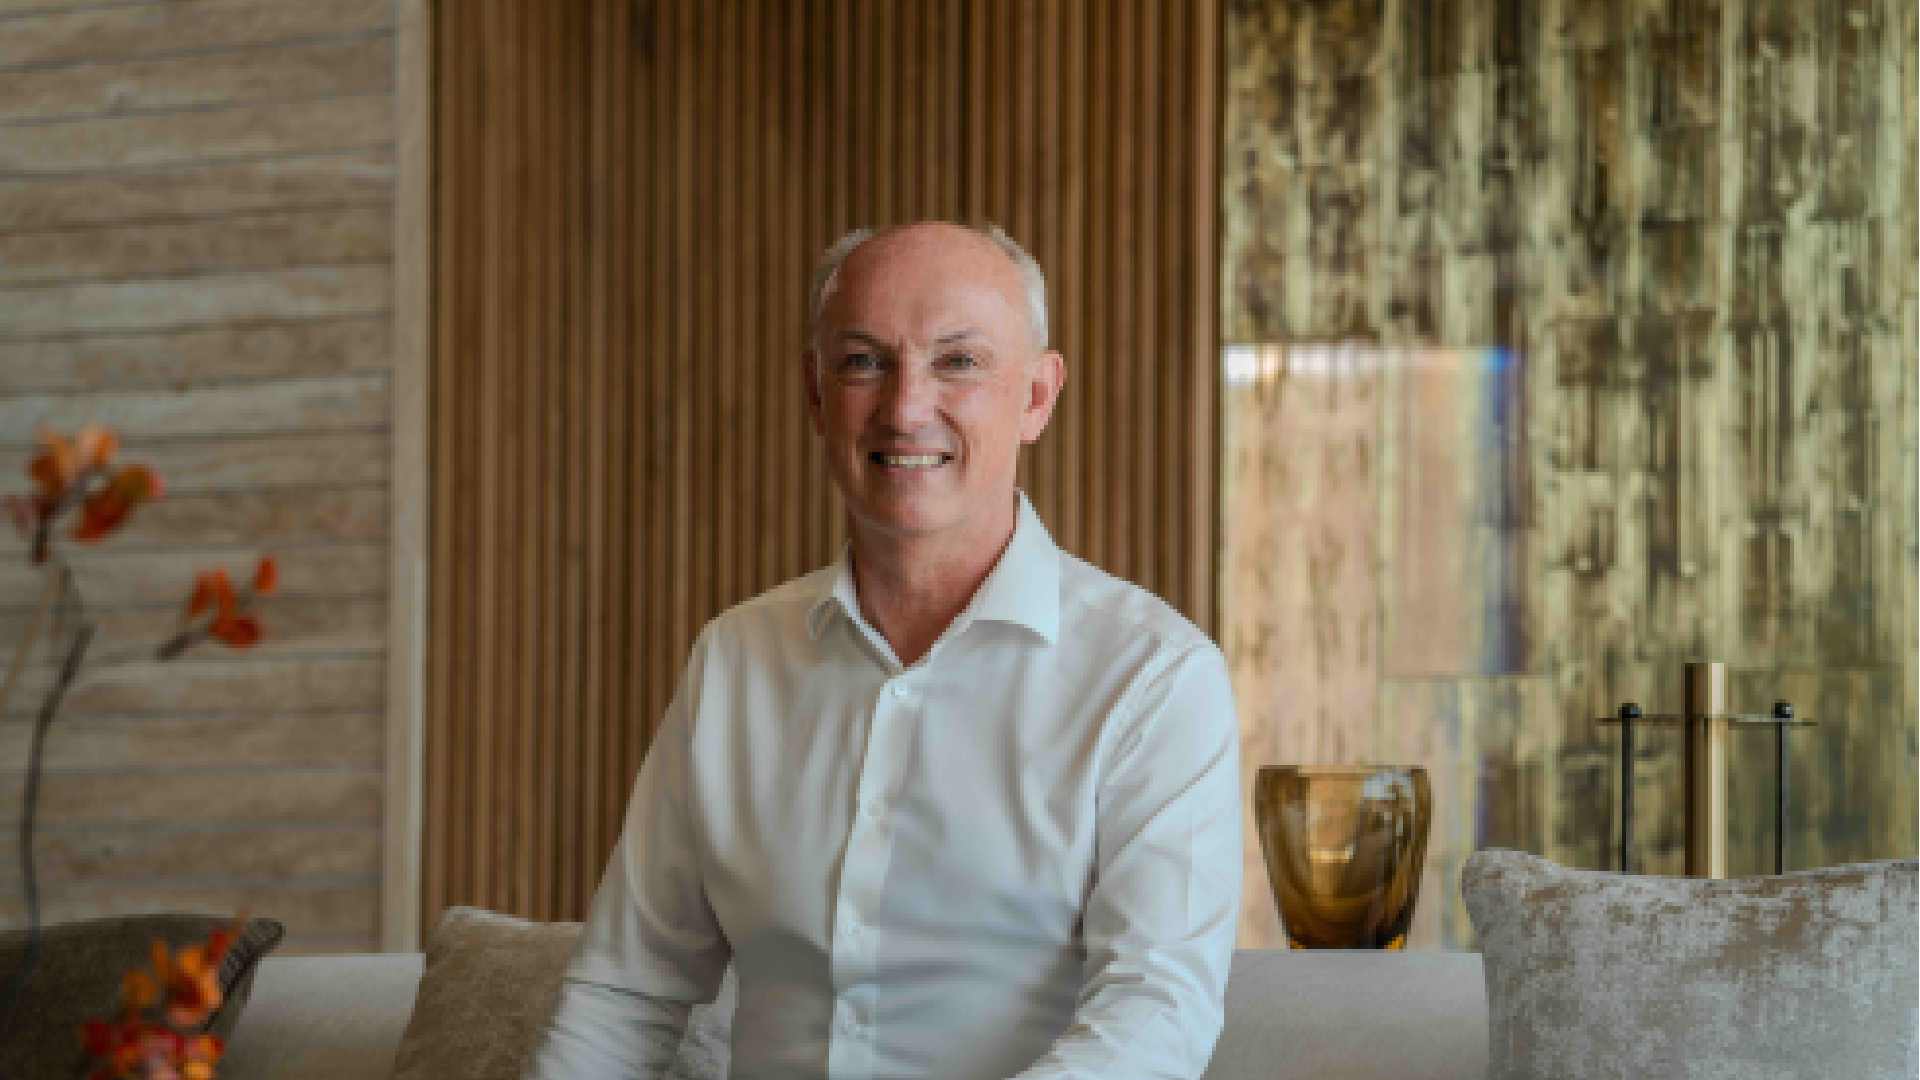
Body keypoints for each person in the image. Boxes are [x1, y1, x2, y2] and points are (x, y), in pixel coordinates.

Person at [525, 221, 1241, 1078]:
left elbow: (1153, 1019)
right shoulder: (734, 660)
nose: (905, 408)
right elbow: (625, 999)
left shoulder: (1154, 677)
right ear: (816, 394)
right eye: (864, 361)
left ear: (1037, 399)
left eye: (958, 362)